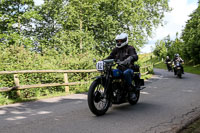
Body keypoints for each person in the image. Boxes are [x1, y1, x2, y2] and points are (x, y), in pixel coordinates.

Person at [105, 33, 138, 98]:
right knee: (111, 73)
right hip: (119, 69)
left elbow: (135, 56)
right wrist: (103, 60)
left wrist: (130, 58)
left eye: (121, 41)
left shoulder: (130, 48)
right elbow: (111, 56)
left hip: (129, 68)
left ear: (125, 40)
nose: (119, 42)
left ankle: (130, 90)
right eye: (118, 41)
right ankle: (112, 90)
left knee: (126, 73)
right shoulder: (116, 49)